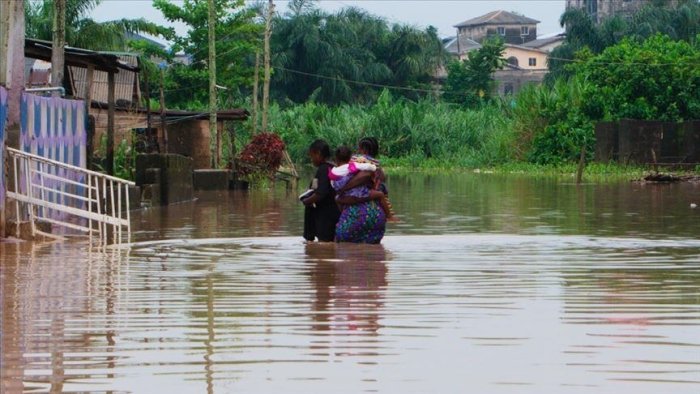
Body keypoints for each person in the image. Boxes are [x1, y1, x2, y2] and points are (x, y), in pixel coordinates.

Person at [329, 145, 395, 221]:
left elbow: (333, 183)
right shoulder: (352, 166)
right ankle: (389, 216)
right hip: (359, 194)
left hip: (345, 197)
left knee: (336, 199)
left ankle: (343, 215)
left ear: (336, 159)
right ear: (349, 158)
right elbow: (369, 167)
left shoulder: (333, 171)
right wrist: (373, 167)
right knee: (380, 195)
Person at [302, 140, 341, 242]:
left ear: (318, 154)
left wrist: (307, 201)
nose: (311, 159)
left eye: (312, 156)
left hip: (326, 216)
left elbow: (321, 193)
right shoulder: (332, 167)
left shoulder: (323, 169)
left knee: (325, 243)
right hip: (334, 213)